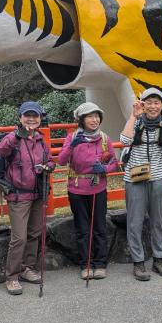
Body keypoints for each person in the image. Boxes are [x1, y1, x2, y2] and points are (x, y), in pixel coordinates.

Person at [121, 88, 162, 281]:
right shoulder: (137, 120)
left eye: (156, 102)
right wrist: (133, 116)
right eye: (149, 102)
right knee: (135, 221)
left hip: (158, 175)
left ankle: (158, 259)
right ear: (142, 104)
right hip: (135, 176)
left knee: (158, 219)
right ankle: (138, 262)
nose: (153, 106)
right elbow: (125, 140)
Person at [0, 101, 55, 295]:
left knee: (35, 233)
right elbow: (2, 150)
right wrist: (17, 135)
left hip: (37, 193)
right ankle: (12, 276)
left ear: (39, 118)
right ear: (20, 118)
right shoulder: (12, 137)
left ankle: (27, 267)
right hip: (18, 195)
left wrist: (48, 167)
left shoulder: (40, 139)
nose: (31, 119)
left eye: (35, 116)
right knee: (19, 237)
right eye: (27, 115)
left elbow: (50, 160)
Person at [57, 102, 119, 280]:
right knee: (82, 229)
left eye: (97, 116)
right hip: (77, 189)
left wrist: (104, 169)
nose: (94, 120)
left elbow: (114, 163)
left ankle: (100, 264)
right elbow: (61, 161)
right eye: (90, 116)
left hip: (98, 188)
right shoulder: (72, 137)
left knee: (99, 227)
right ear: (81, 120)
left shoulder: (104, 138)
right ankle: (86, 264)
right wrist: (72, 146)